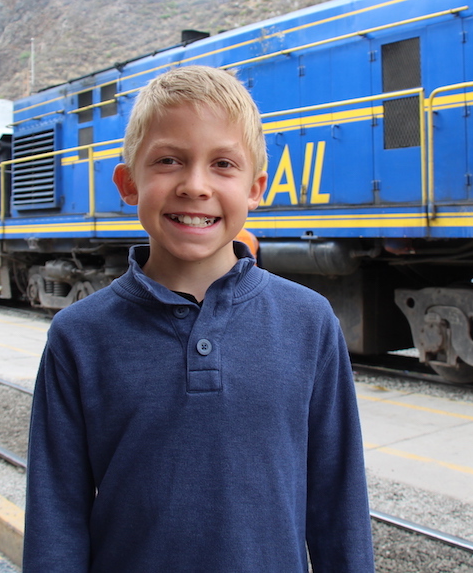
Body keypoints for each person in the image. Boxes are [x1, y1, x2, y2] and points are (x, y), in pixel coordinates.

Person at [23, 65, 375, 572]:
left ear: (256, 188)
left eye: (223, 165)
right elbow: (55, 518)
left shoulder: (309, 322)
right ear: (128, 183)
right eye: (169, 160)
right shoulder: (80, 336)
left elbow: (338, 503)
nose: (195, 185)